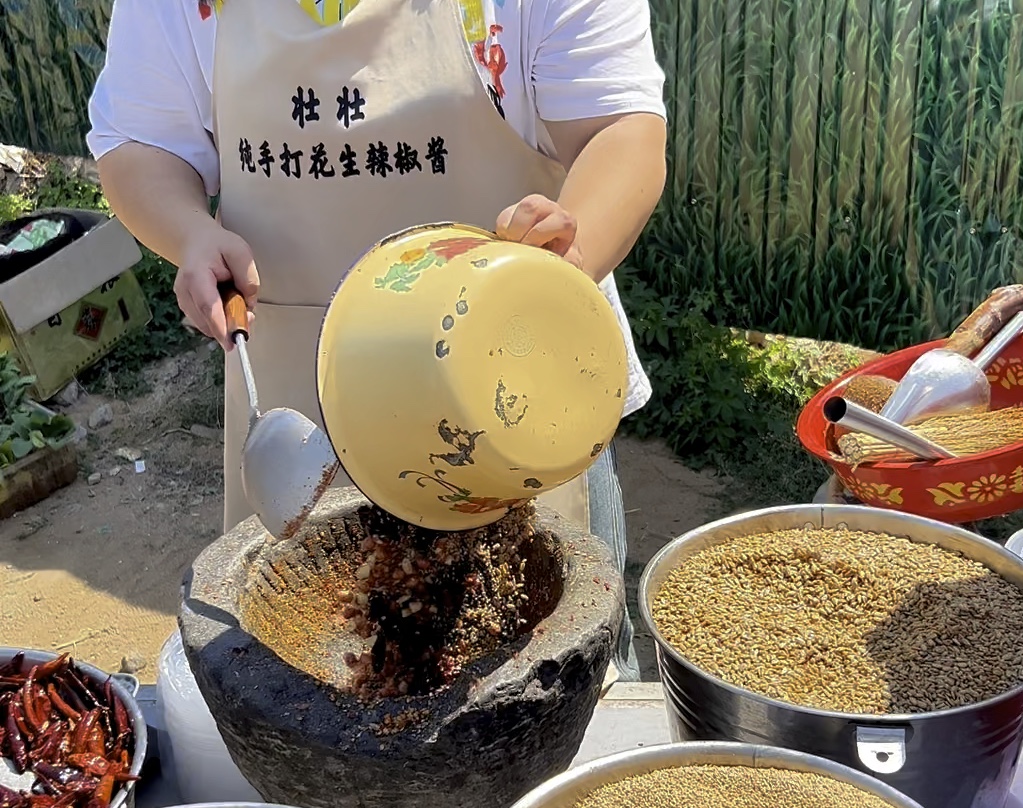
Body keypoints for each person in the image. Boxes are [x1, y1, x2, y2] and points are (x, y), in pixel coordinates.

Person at [87, 0, 666, 683]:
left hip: (516, 387)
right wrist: (188, 230)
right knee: (308, 693)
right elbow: (139, 141)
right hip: (305, 414)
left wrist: (556, 278)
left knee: (545, 684)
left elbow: (619, 129)